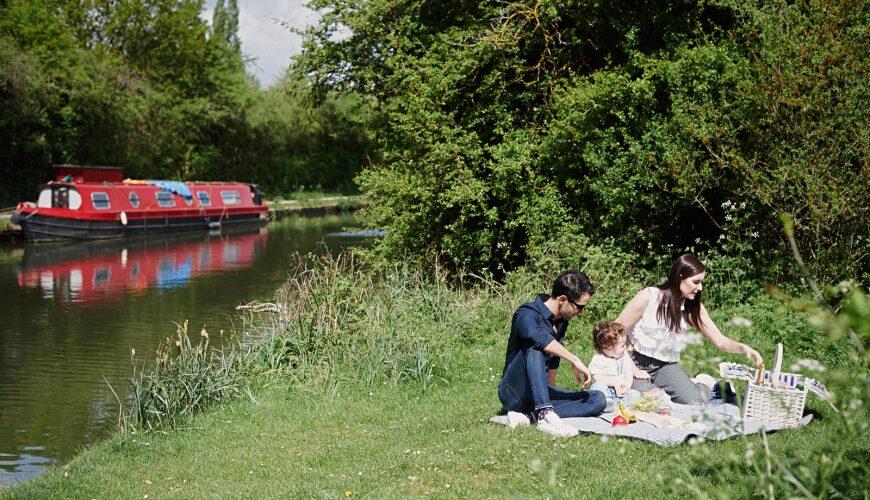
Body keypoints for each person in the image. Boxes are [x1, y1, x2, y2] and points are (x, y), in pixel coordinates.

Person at [615, 254, 763, 404]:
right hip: (635, 362)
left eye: (701, 282)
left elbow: (721, 342)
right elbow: (616, 330)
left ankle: (704, 386)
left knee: (695, 402)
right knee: (654, 402)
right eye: (696, 282)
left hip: (665, 366)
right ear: (680, 278)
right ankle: (681, 387)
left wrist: (743, 348)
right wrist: (631, 366)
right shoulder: (649, 296)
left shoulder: (693, 308)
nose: (700, 288)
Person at [498, 270, 607, 437]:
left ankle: (530, 416)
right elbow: (536, 337)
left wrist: (549, 392)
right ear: (563, 299)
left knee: (597, 399)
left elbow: (553, 360)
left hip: (538, 393)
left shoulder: (562, 321)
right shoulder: (526, 312)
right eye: (579, 307)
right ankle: (544, 414)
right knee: (536, 345)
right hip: (513, 392)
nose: (581, 313)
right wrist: (574, 359)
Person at [588, 322, 648, 410]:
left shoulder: (623, 356)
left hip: (620, 392)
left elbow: (628, 372)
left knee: (635, 395)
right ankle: (606, 403)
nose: (625, 348)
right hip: (606, 390)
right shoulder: (599, 359)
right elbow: (596, 377)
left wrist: (626, 386)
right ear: (609, 348)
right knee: (597, 387)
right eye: (623, 345)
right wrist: (615, 383)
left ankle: (613, 405)